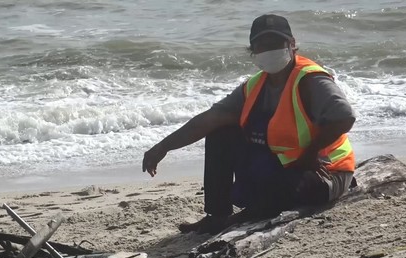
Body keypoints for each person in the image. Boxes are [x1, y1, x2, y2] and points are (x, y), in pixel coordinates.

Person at [142, 14, 356, 235]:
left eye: (275, 43)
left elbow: (345, 117)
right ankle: (217, 216)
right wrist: (163, 147)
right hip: (284, 163)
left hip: (325, 171)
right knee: (220, 133)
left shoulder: (310, 80)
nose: (268, 50)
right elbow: (209, 120)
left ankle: (239, 220)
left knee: (281, 187)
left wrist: (310, 154)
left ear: (291, 45)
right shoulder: (254, 86)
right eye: (261, 45)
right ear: (253, 52)